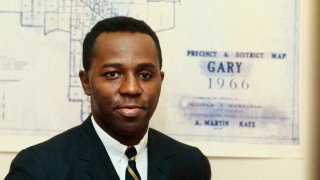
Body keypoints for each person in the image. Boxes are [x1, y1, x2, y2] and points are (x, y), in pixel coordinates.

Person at [5, 16, 211, 180]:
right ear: (86, 82)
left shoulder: (191, 164)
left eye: (145, 75)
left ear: (160, 79)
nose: (131, 88)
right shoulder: (39, 168)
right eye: (113, 74)